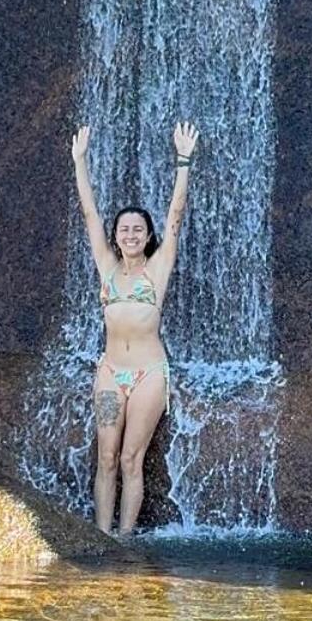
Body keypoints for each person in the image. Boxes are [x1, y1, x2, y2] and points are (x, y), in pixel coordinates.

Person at [72, 120, 199, 536]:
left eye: (138, 230)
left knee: (131, 458)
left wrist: (183, 161)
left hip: (148, 376)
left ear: (147, 238)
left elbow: (176, 215)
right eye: (124, 229)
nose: (130, 235)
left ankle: (124, 538)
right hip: (110, 375)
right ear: (117, 236)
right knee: (107, 456)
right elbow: (90, 214)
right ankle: (101, 535)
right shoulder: (107, 268)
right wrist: (80, 162)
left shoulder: (157, 271)